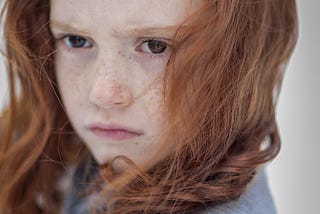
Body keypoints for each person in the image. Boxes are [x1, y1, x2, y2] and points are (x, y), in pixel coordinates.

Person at [0, 0, 297, 213]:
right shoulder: (67, 152)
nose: (102, 94)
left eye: (156, 46)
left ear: (239, 58)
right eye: (77, 41)